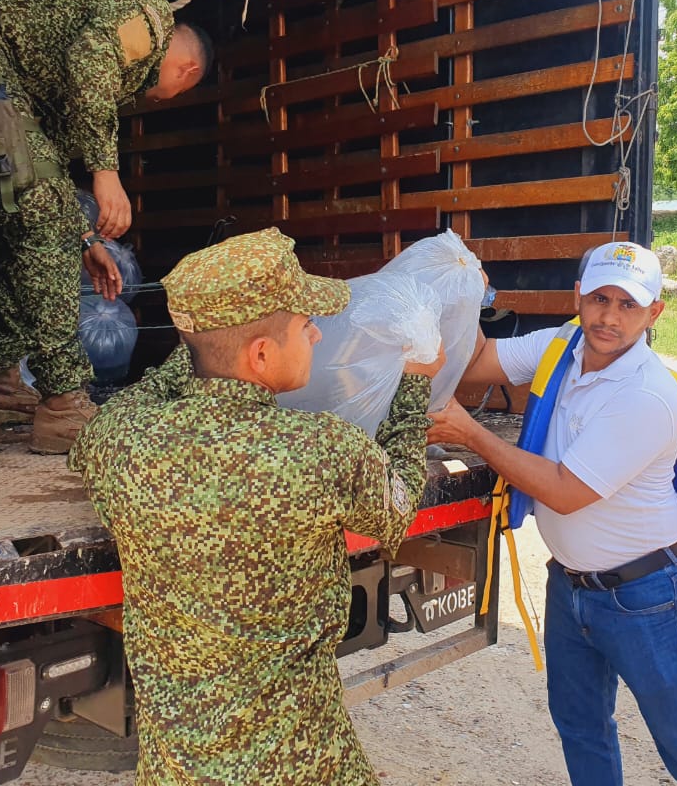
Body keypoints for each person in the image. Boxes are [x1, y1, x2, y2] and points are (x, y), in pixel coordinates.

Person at [68, 227, 444, 785]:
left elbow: (137, 401)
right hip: (303, 764)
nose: (317, 334)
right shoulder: (324, 451)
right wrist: (414, 389)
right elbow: (396, 506)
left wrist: (196, 344)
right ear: (262, 354)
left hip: (178, 770)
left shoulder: (121, 439)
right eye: (304, 324)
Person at [427, 241, 677, 786]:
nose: (609, 317)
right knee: (580, 726)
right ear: (578, 296)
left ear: (654, 313)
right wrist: (462, 294)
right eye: (599, 299)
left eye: (627, 305)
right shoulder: (559, 347)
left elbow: (566, 492)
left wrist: (470, 434)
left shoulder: (646, 394)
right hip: (570, 586)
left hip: (645, 594)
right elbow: (477, 364)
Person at [0, 0, 214, 453]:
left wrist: (87, 241)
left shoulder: (51, 71)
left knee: (19, 232)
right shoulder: (150, 17)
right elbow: (91, 59)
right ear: (187, 72)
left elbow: (42, 177)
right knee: (38, 229)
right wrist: (105, 172)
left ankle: (0, 387)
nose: (151, 99)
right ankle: (65, 404)